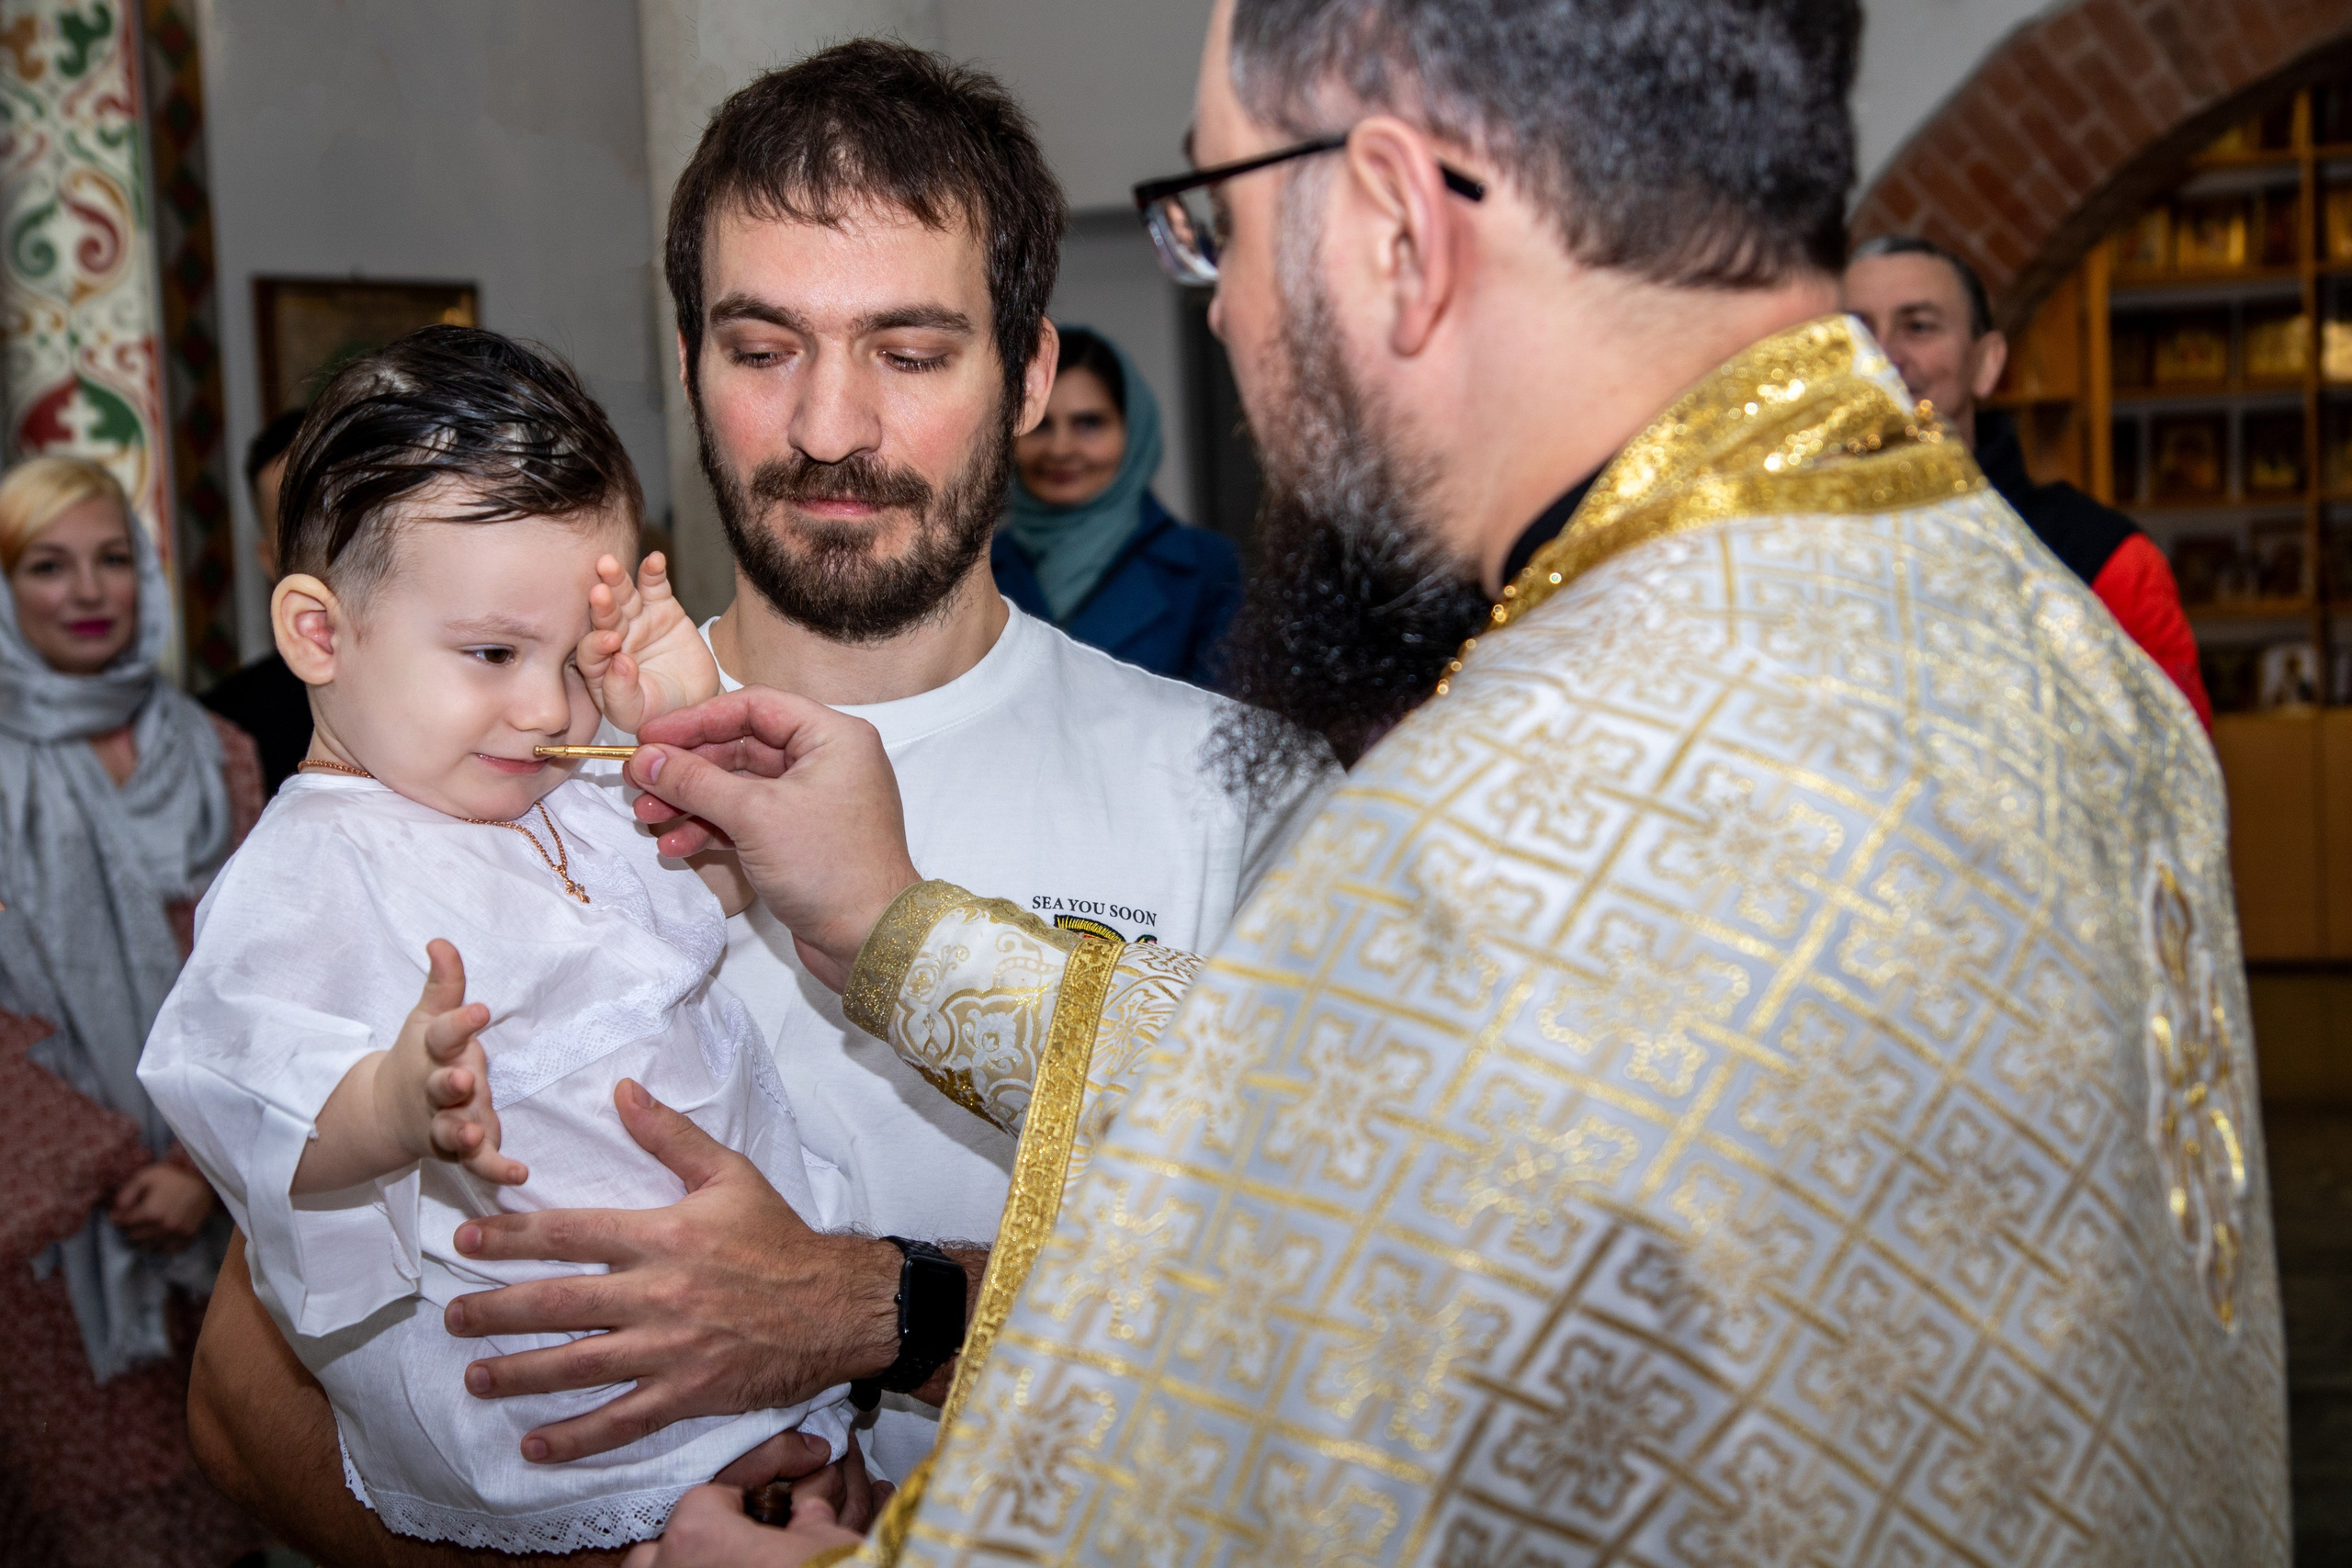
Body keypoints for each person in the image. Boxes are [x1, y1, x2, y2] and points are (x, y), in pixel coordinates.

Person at [597, 0, 2283, 1560]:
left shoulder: (1513, 822)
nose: (1236, 311)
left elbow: (1247, 1416)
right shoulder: (2030, 637)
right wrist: (899, 936)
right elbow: (1338, 1099)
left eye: (1225, 229)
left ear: (1396, 226)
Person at [185, 39, 1329, 1562]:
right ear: (684, 358)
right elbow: (246, 1391)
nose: (831, 428)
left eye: (911, 353)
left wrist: (871, 1303)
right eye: (761, 347)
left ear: (1033, 370)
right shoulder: (472, 776)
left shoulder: (1246, 798)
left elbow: (1354, 1320)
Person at [142, 325, 856, 1552]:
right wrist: (391, 1104)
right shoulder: (312, 867)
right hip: (575, 1414)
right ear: (319, 634)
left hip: (752, 1342)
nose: (545, 706)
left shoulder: (563, 789)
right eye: (489, 654)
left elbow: (717, 898)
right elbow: (238, 1088)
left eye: (572, 656)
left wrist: (682, 726)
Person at [0, 454, 266, 1566]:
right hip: (51, 1246)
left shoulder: (217, 754)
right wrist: (112, 1165)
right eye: (48, 566)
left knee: (239, 1496)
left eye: (114, 558)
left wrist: (201, 1168)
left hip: (222, 1214)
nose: (89, 589)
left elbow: (268, 982)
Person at [1845, 234, 2213, 726]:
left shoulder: (2098, 558)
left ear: (1986, 363)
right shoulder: (1785, 544)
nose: (1884, 355)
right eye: (1856, 332)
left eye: (1918, 326)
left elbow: (2178, 774)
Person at [993, 324, 1242, 683]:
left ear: (1134, 430)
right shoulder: (972, 569)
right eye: (1040, 426)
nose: (1061, 449)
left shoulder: (1210, 569)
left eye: (1089, 423)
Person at [200, 407, 316, 793]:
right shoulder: (226, 734)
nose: (335, 546)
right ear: (271, 562)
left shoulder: (479, 672)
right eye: (301, 529)